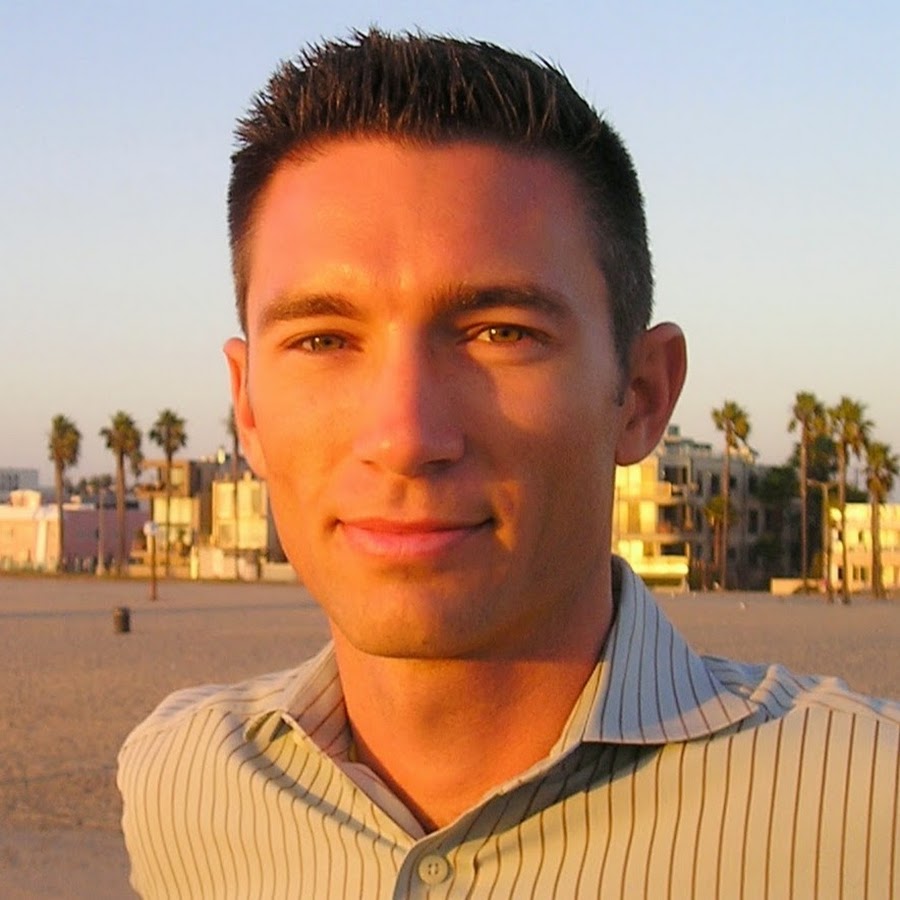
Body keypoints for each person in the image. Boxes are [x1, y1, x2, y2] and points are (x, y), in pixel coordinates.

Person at [118, 30, 899, 897]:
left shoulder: (869, 817)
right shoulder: (183, 785)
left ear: (641, 395)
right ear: (249, 407)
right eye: (324, 340)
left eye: (501, 333)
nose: (405, 436)